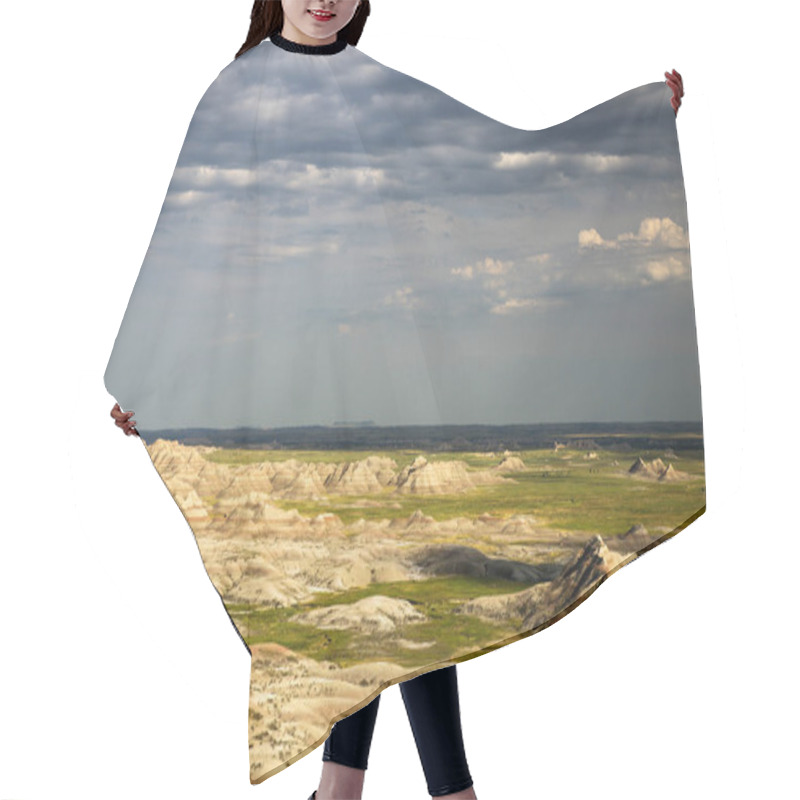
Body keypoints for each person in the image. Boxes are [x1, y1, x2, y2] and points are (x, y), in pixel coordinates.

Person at [110, 2, 685, 798]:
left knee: (400, 598)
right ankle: (433, 793)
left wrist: (634, 131)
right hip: (295, 390)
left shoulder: (378, 88)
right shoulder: (236, 91)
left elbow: (487, 160)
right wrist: (146, 376)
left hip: (389, 373)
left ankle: (350, 791)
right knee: (379, 600)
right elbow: (186, 239)